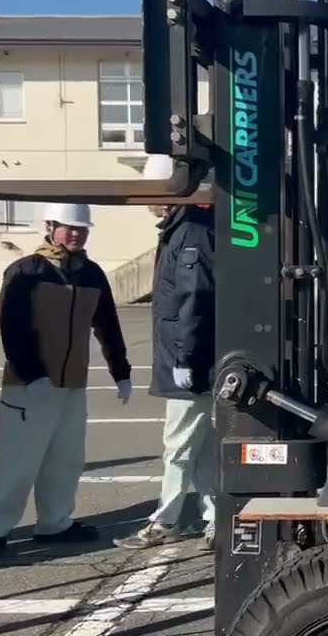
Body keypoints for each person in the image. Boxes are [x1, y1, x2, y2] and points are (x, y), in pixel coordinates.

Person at [0, 203, 132, 559]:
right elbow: (11, 326)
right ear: (50, 227)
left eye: (81, 228)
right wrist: (32, 372)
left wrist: (120, 370)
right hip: (28, 385)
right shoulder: (25, 271)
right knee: (18, 460)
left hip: (72, 384)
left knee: (66, 459)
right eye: (68, 227)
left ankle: (55, 523)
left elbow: (107, 324)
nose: (76, 233)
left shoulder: (92, 274)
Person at [114, 155, 218, 551]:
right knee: (203, 445)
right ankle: (214, 516)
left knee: (177, 445)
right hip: (196, 358)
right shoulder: (188, 228)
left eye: (150, 195)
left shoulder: (188, 232)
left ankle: (166, 520)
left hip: (188, 361)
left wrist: (184, 360)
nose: (147, 204)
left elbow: (191, 301)